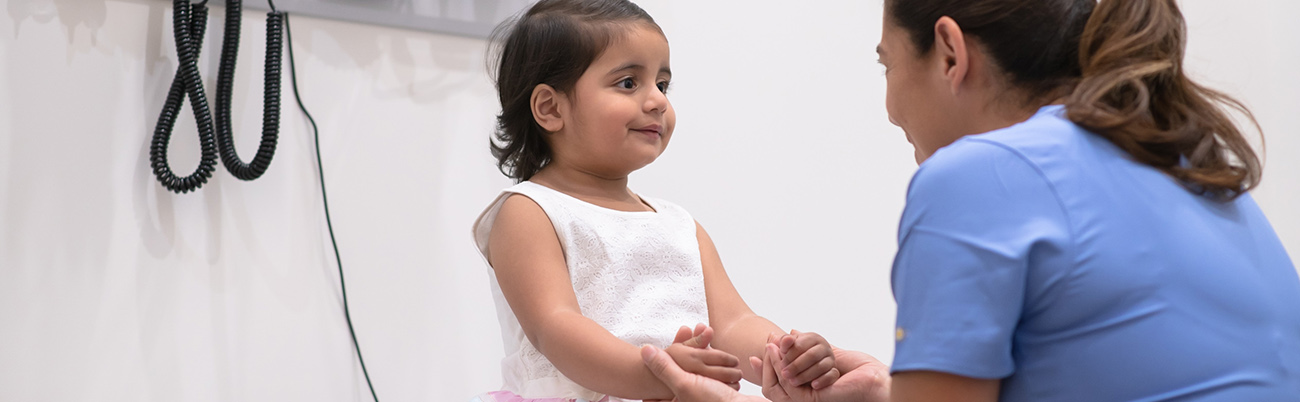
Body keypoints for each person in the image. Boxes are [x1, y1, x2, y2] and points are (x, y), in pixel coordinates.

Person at [642, 0, 1300, 401]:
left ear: (951, 52)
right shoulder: (1181, 162)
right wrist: (885, 392)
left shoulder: (978, 177)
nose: (889, 103)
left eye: (886, 64)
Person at [470, 1, 844, 401]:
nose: (658, 101)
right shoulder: (529, 211)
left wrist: (784, 353)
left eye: (662, 85)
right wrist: (655, 371)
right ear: (550, 108)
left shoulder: (678, 224)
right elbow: (556, 328)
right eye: (629, 83)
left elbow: (733, 324)